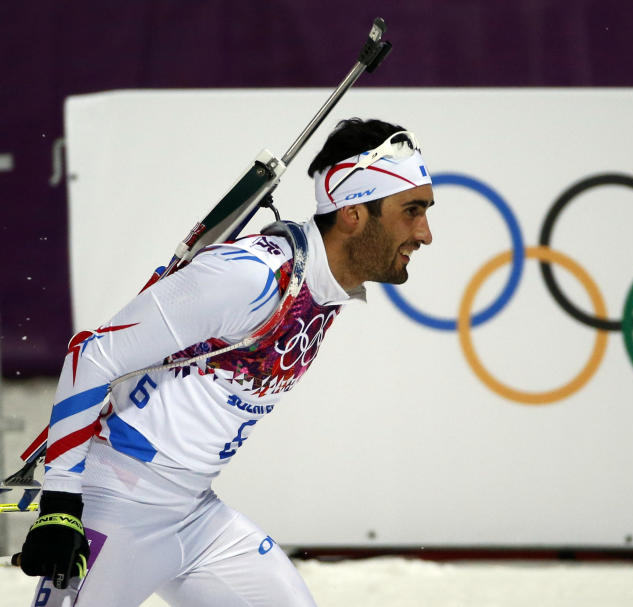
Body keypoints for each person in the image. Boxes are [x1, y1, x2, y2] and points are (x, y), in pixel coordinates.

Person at [15, 117, 435, 606]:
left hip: (194, 515)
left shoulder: (323, 283)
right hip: (117, 504)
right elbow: (90, 356)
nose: (425, 233)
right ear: (352, 214)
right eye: (412, 211)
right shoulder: (250, 278)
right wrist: (61, 504)